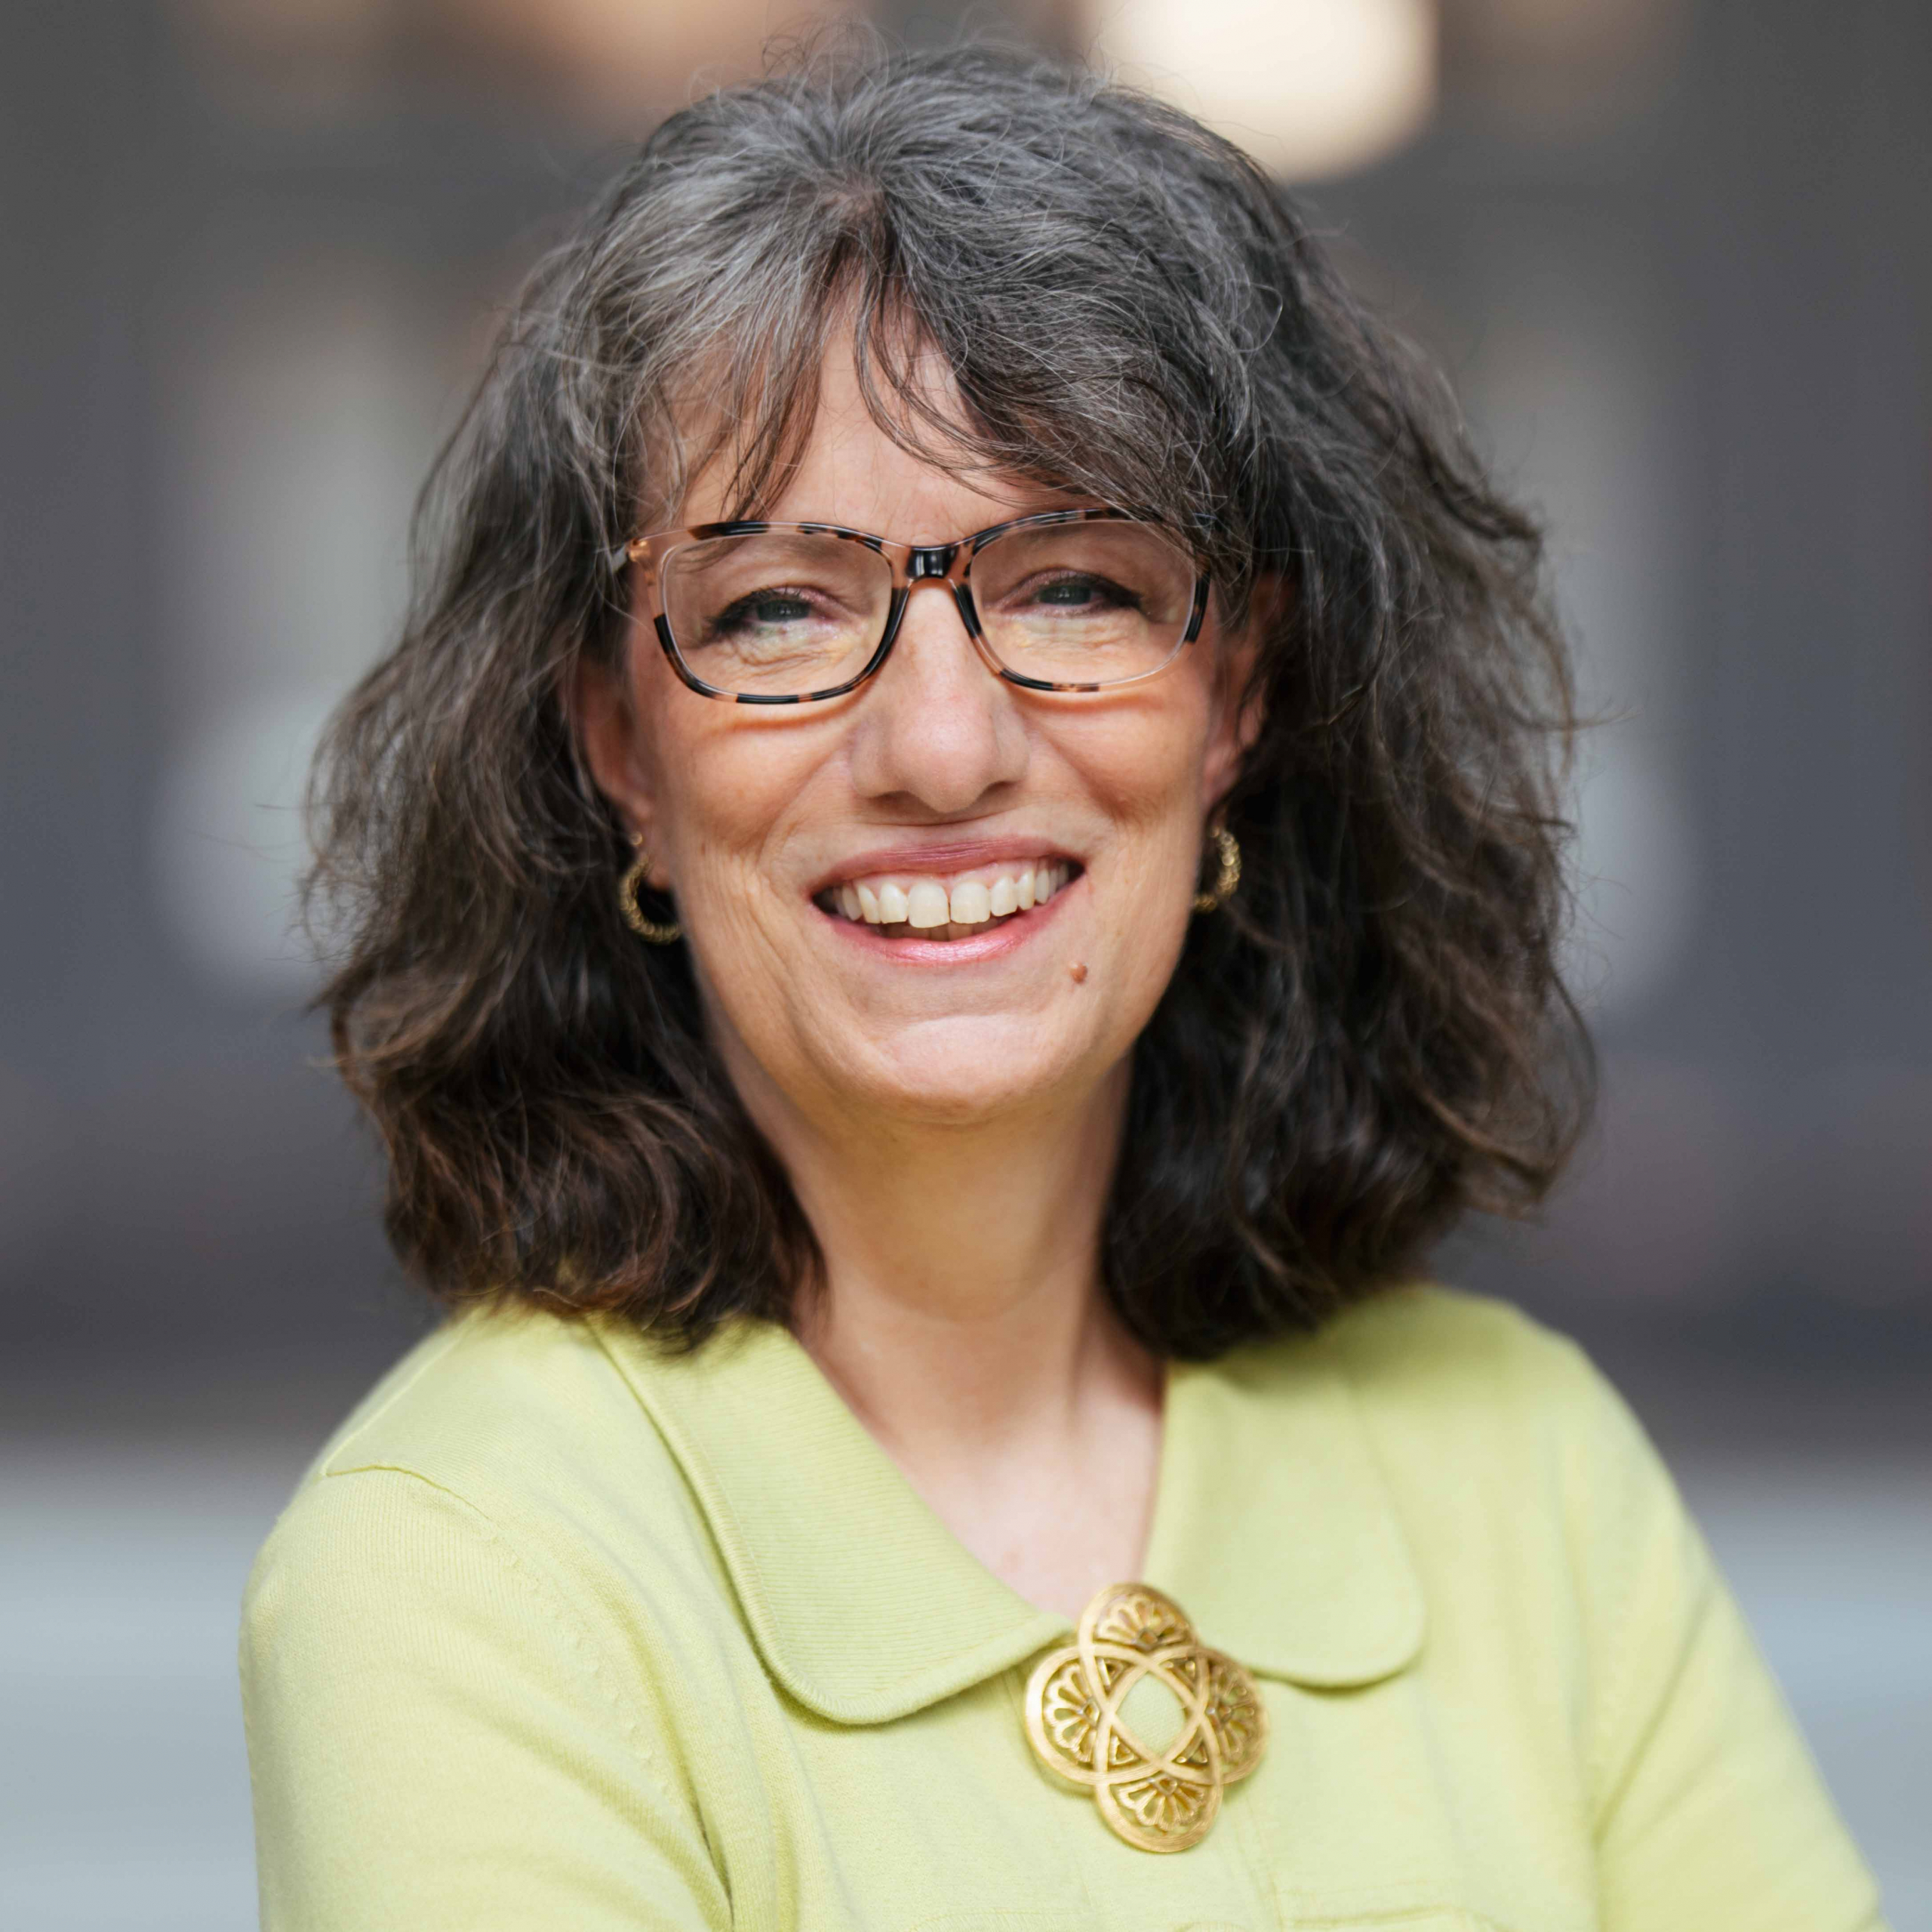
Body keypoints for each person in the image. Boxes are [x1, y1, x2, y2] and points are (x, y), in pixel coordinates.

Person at [239, 40, 1887, 1932]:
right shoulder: (468, 1572)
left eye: (1075, 585)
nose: (942, 745)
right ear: (622, 747)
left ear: (1238, 696)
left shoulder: (1525, 1469)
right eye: (775, 604)